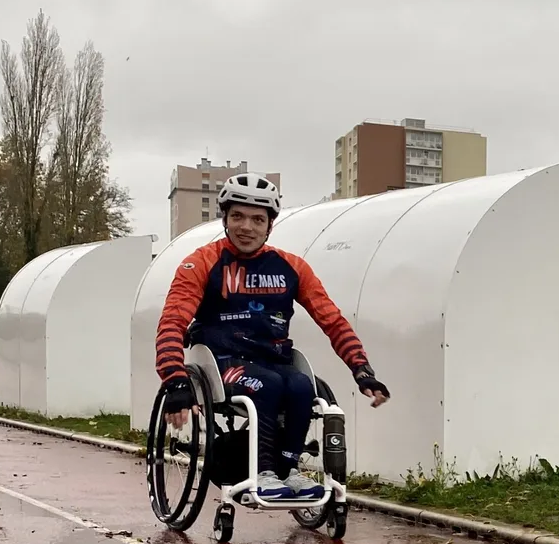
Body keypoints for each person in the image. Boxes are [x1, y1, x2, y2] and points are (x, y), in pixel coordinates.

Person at [154, 172, 389, 500]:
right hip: (223, 363)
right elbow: (171, 323)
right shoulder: (201, 263)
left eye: (256, 219)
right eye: (237, 216)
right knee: (270, 384)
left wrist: (362, 371)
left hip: (273, 360)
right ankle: (264, 474)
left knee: (302, 385)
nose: (246, 227)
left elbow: (332, 320)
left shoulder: (291, 267)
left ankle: (289, 470)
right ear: (224, 218)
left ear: (270, 225)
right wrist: (175, 381)